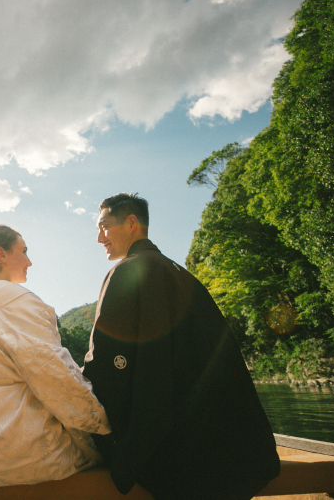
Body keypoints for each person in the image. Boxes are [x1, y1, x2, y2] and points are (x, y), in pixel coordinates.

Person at [83, 193, 280, 500]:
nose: (99, 238)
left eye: (104, 226)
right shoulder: (181, 274)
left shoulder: (126, 271)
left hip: (176, 452)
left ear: (131, 223)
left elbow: (105, 363)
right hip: (227, 444)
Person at [0, 225, 111, 487]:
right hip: (27, 460)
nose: (29, 261)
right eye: (23, 251)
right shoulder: (23, 306)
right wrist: (104, 423)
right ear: (1, 254)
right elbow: (58, 382)